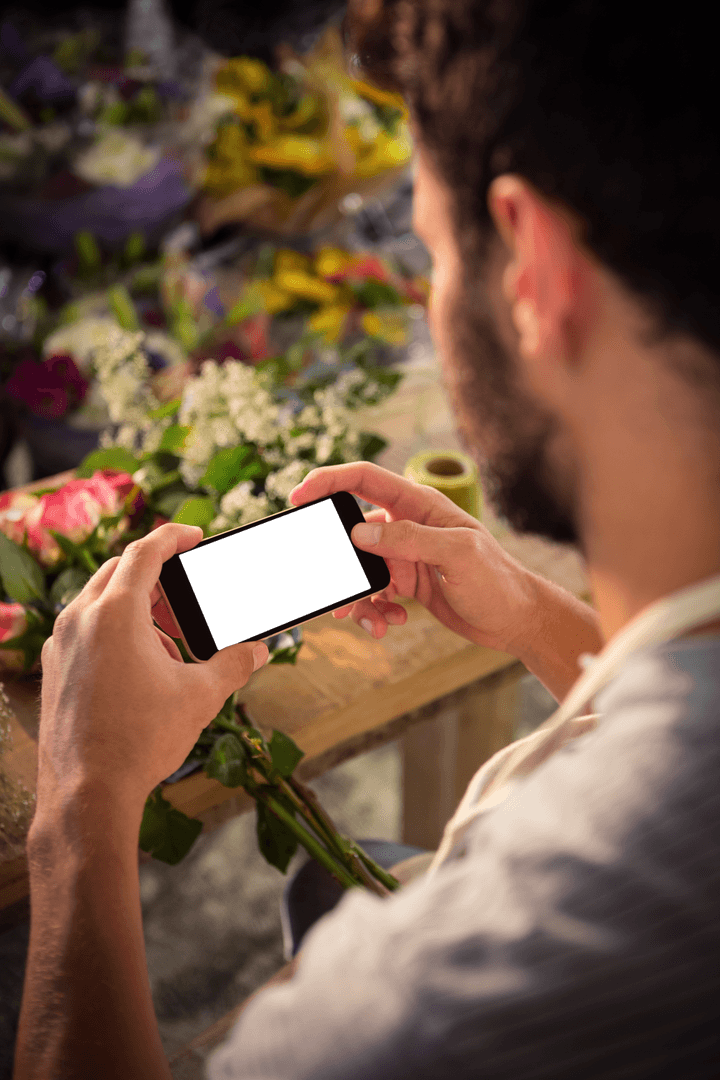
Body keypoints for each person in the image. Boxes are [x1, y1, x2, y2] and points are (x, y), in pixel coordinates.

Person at [13, 0, 720, 1075]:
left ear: (531, 269)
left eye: (432, 250)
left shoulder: (422, 1007)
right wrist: (531, 612)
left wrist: (80, 808)